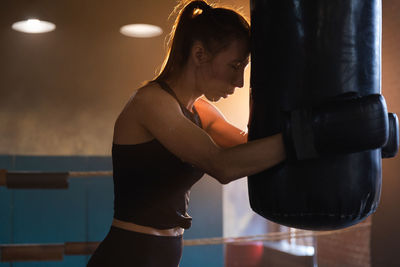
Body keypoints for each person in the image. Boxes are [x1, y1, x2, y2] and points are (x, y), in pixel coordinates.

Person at [87, 1, 285, 266]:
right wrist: (308, 138)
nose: (239, 82)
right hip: (127, 257)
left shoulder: (201, 111)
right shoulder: (152, 103)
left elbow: (251, 148)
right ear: (199, 54)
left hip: (163, 256)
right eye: (234, 66)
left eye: (244, 68)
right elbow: (223, 165)